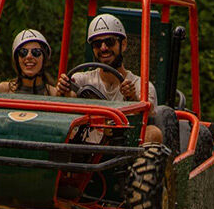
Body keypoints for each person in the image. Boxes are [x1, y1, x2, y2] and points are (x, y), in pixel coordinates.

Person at [56, 14, 162, 143]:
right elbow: (68, 102)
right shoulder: (80, 80)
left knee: (152, 133)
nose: (103, 48)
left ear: (123, 44)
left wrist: (132, 98)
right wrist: (64, 91)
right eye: (97, 44)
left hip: (123, 151)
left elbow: (147, 113)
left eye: (110, 42)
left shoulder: (141, 86)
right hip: (84, 148)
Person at [0, 29, 57, 95]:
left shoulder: (54, 93)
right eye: (23, 52)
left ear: (44, 58)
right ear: (17, 59)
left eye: (36, 52)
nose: (29, 56)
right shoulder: (3, 91)